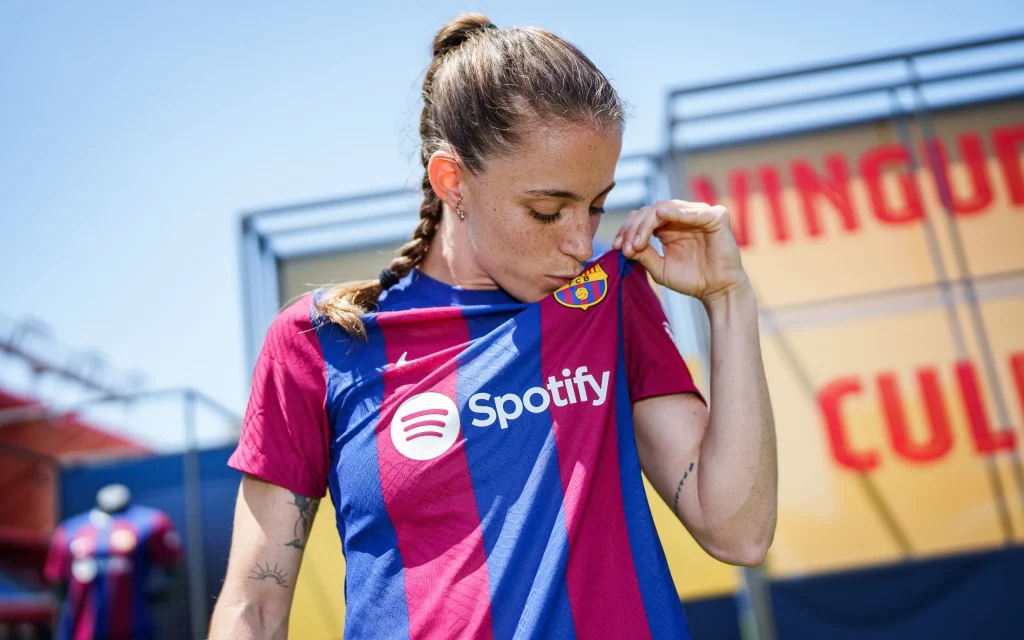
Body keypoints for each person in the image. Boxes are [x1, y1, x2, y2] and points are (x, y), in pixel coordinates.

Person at [211, 13, 777, 640]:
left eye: (595, 205)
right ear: (452, 181)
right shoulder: (320, 342)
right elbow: (256, 603)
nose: (579, 240)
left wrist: (730, 300)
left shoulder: (611, 300)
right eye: (546, 210)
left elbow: (738, 530)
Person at [44, 484, 182, 640]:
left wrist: (155, 597)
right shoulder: (69, 530)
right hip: (82, 632)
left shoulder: (152, 522)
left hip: (135, 629)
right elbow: (57, 584)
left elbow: (172, 571)